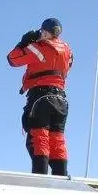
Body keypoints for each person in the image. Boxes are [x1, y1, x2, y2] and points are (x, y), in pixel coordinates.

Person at [7, 17, 74, 176]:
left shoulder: (38, 48)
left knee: (40, 138)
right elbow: (68, 66)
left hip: (40, 97)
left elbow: (12, 59)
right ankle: (61, 176)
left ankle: (40, 176)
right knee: (58, 139)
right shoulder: (67, 50)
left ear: (44, 31)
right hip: (61, 100)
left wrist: (23, 42)